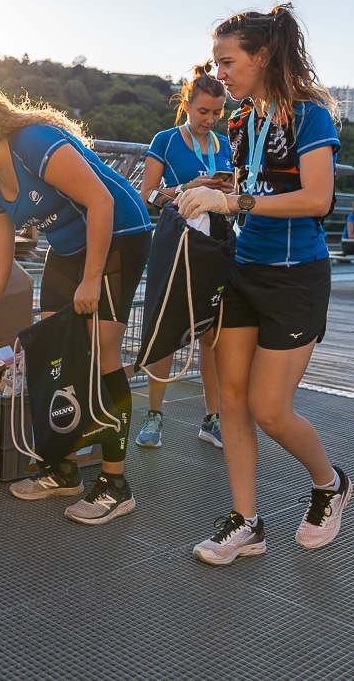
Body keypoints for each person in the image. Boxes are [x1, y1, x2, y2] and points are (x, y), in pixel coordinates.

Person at [0, 82, 153, 524]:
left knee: (102, 356)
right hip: (68, 248)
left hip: (118, 237)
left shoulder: (34, 143)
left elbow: (101, 201)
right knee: (52, 353)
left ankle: (115, 484)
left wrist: (91, 281)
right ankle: (62, 467)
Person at [176, 4, 352, 565]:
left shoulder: (310, 115)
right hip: (242, 270)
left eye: (227, 61)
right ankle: (246, 522)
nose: (219, 72)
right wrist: (212, 183)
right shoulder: (241, 120)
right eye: (215, 62)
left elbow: (317, 199)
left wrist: (232, 199)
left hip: (296, 277)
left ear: (263, 56)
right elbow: (258, 180)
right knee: (230, 400)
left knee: (270, 408)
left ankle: (329, 484)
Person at [135, 64, 232, 450]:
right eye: (202, 111)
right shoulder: (166, 140)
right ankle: (154, 415)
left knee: (212, 336)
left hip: (216, 245)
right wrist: (186, 188)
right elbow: (147, 194)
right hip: (176, 243)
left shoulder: (227, 144)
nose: (209, 119)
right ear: (186, 105)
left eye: (216, 113)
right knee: (166, 330)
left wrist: (228, 189)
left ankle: (212, 418)